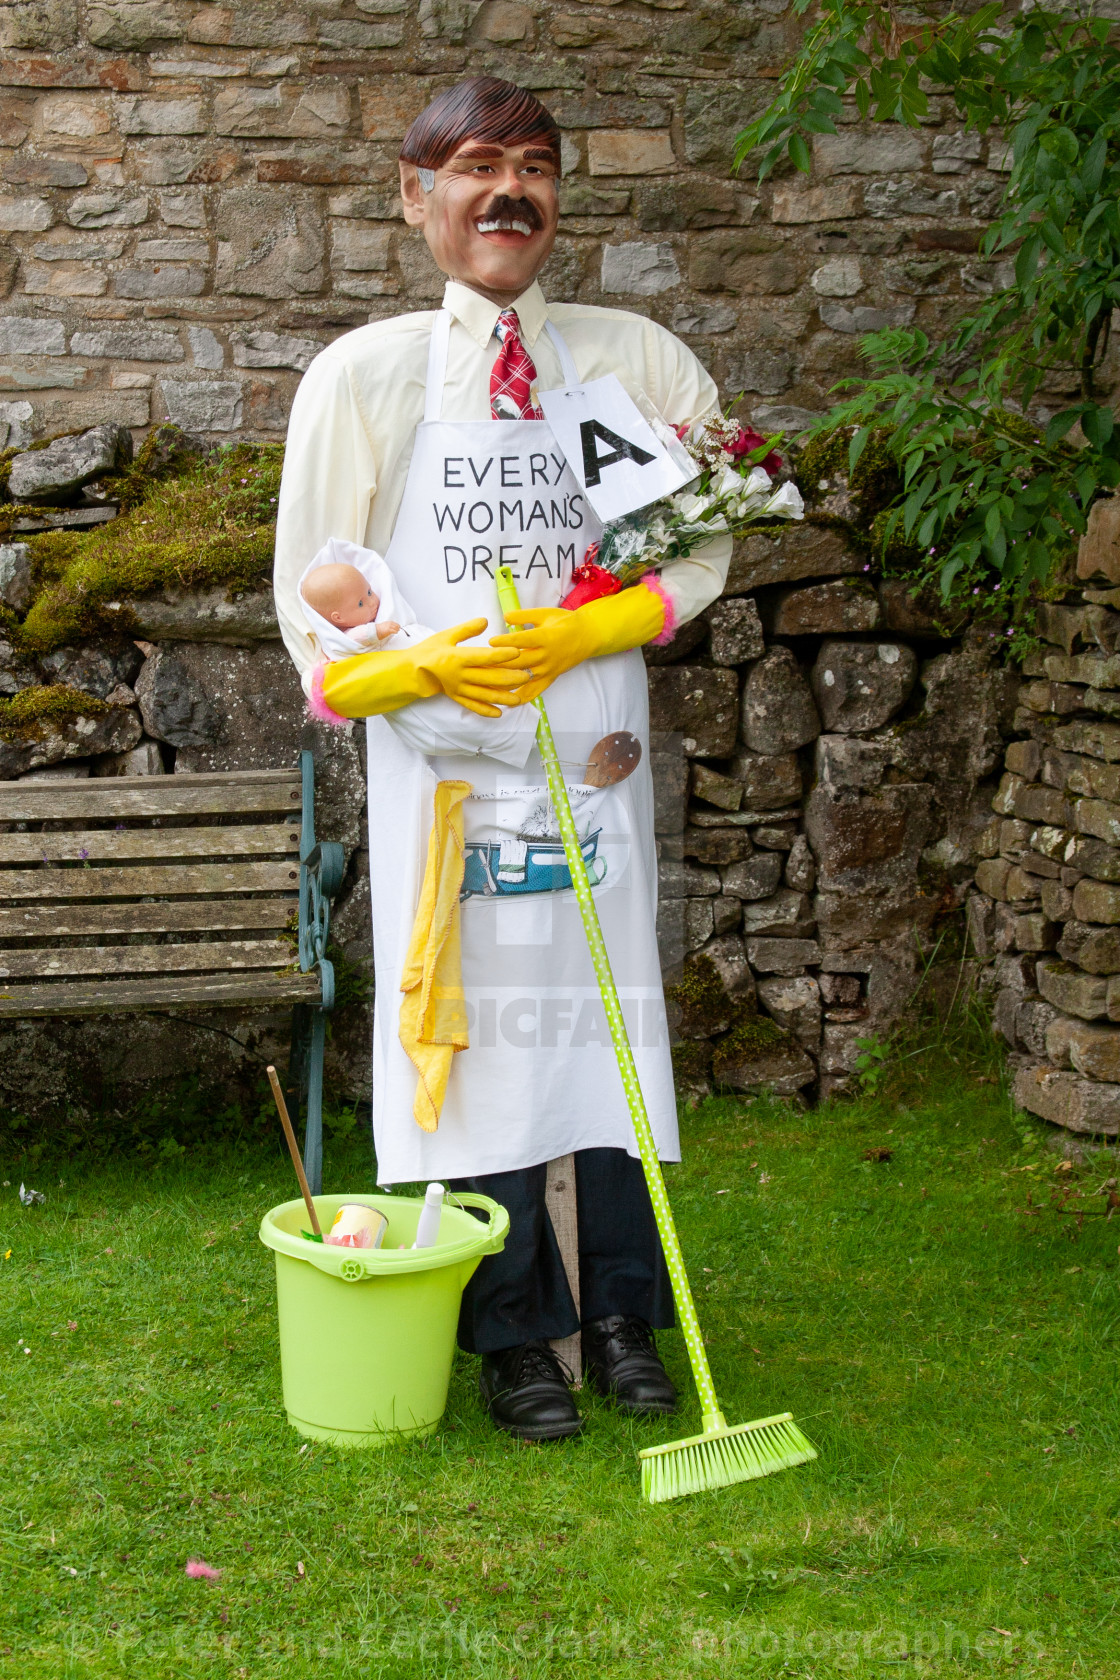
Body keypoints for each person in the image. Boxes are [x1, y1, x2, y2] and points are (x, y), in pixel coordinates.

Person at [273, 76, 733, 1441]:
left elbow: (708, 546)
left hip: (589, 745)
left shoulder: (633, 363)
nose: (507, 193)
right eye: (475, 168)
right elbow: (311, 591)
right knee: (464, 1041)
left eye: (532, 166)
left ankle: (619, 1312)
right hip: (449, 769)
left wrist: (600, 623)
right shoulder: (365, 378)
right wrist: (418, 670)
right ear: (416, 199)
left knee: (600, 1024)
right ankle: (512, 1329)